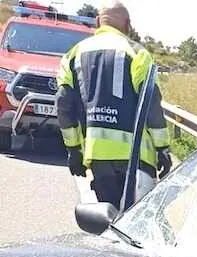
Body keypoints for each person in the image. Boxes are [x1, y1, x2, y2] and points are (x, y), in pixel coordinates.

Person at [55, 0, 172, 208]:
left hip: (99, 157)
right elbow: (151, 102)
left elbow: (63, 102)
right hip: (137, 158)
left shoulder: (72, 55)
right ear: (128, 25)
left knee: (109, 219)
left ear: (97, 22)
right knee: (137, 220)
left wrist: (73, 150)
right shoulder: (137, 53)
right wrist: (162, 148)